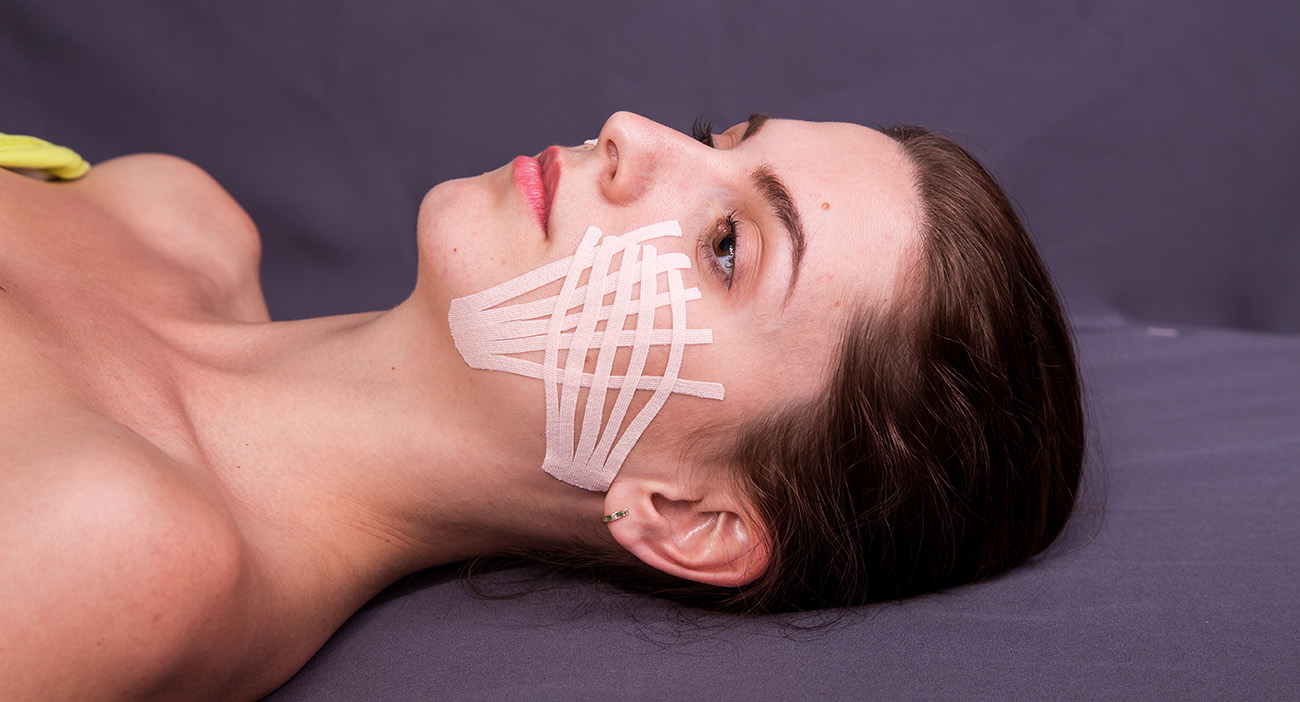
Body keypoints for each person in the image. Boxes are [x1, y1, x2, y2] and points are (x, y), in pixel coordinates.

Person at [0, 112, 1083, 700]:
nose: (631, 133)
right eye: (715, 136)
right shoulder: (176, 215)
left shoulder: (117, 551)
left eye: (725, 247)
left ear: (688, 518)